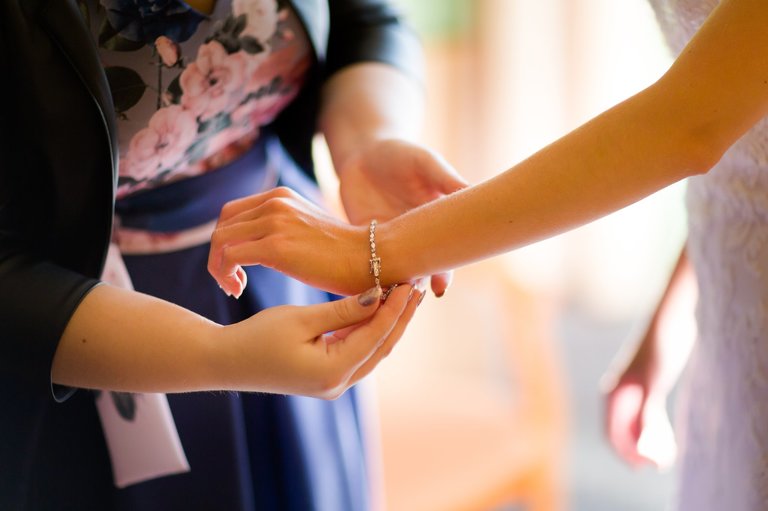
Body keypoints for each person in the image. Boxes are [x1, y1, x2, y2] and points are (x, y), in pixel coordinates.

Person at [206, 0, 768, 509]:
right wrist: (668, 329)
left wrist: (372, 253)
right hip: (732, 316)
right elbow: (736, 146)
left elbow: (690, 125)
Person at [0, 0, 466, 509]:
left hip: (285, 273)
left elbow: (366, 18)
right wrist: (221, 355)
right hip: (76, 329)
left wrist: (367, 140)